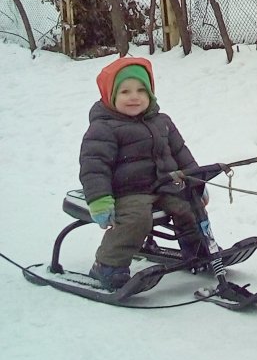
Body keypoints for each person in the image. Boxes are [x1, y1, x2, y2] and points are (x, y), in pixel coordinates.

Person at [79, 56, 206, 290]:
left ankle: (197, 250)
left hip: (164, 184)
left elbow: (180, 152)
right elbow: (94, 166)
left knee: (188, 205)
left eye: (141, 90)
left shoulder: (162, 121)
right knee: (137, 218)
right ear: (110, 96)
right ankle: (107, 265)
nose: (134, 97)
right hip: (128, 190)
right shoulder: (104, 128)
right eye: (125, 91)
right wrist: (99, 200)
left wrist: (196, 181)